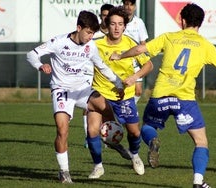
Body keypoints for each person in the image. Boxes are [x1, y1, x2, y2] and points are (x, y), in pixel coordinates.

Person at [110, 3, 216, 188]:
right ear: (200, 23)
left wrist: (120, 56)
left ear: (182, 21)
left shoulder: (169, 37)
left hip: (160, 96)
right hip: (185, 100)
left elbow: (140, 50)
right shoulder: (205, 45)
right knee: (201, 142)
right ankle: (198, 182)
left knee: (147, 127)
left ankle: (153, 141)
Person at [26, 10, 124, 184]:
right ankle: (64, 171)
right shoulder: (59, 42)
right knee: (62, 130)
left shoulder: (90, 46)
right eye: (88, 32)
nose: (90, 37)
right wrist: (40, 66)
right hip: (62, 90)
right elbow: (31, 54)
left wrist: (118, 83)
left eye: (93, 33)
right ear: (78, 28)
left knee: (105, 107)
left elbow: (101, 66)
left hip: (82, 90)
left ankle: (112, 140)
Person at [89, 6, 153, 178]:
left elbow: (149, 65)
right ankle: (98, 166)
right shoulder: (96, 44)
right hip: (100, 92)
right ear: (106, 25)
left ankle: (135, 155)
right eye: (113, 24)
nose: (116, 28)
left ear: (125, 26)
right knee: (92, 130)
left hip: (124, 95)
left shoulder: (130, 43)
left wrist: (135, 77)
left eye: (120, 24)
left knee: (134, 132)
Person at [82, 4, 114, 149]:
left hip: (108, 71)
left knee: (107, 107)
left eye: (109, 15)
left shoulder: (115, 33)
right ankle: (88, 137)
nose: (106, 18)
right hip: (92, 73)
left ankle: (108, 135)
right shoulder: (95, 32)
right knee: (88, 105)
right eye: (104, 15)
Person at [122, 0, 149, 104]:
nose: (129, 7)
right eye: (126, 4)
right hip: (121, 59)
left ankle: (129, 111)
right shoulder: (119, 21)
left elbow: (143, 42)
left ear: (135, 7)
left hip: (135, 60)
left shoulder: (139, 22)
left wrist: (143, 58)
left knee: (138, 91)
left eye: (131, 4)